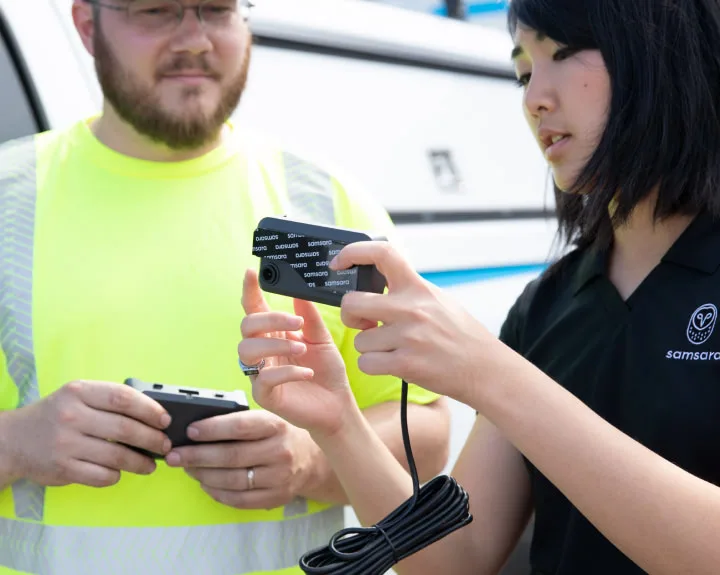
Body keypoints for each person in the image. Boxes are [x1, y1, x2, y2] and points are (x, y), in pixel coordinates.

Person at [237, 0, 720, 573]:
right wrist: (339, 422)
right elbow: (456, 558)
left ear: (671, 55)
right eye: (522, 72)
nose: (534, 97)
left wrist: (490, 373)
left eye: (563, 53)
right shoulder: (548, 305)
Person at [0, 1, 451, 574]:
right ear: (88, 25)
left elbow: (427, 437)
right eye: (157, 11)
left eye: (215, 9)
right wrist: (15, 442)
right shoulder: (6, 198)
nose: (194, 39)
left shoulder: (327, 204)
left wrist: (311, 458)